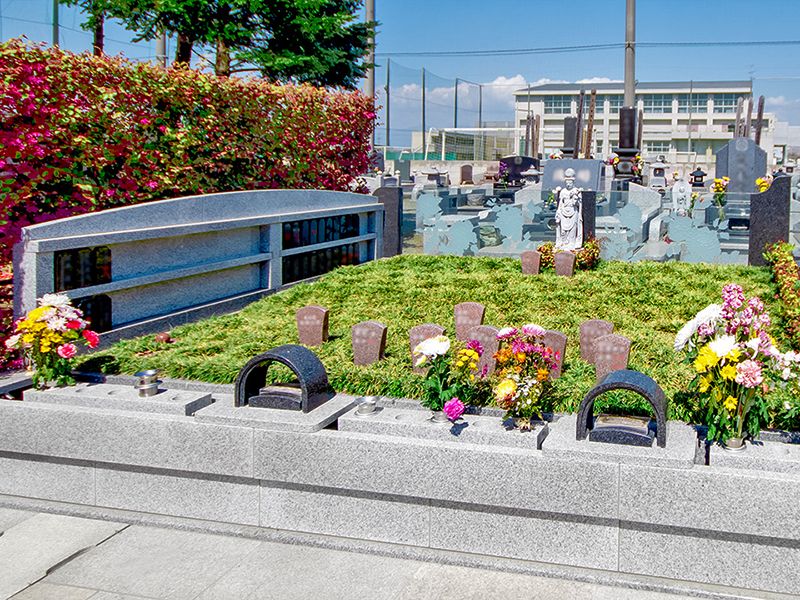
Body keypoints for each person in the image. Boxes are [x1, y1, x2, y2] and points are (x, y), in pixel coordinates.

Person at [554, 168, 583, 251]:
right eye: (567, 182)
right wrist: (558, 211)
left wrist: (575, 198)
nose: (568, 184)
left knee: (572, 230)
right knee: (563, 230)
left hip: (573, 211)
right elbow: (560, 203)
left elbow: (578, 204)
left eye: (570, 183)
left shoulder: (576, 191)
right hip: (564, 211)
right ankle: (563, 243)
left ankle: (572, 243)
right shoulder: (563, 191)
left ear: (573, 182)